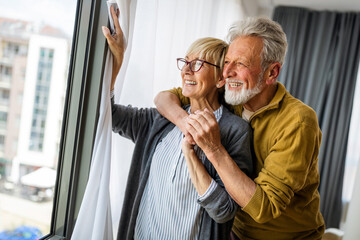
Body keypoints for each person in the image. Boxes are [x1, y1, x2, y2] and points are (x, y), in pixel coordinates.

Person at [155, 17, 325, 239]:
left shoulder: (298, 121)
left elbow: (263, 208)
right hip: (235, 233)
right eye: (227, 62)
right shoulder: (231, 96)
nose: (226, 74)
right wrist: (185, 123)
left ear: (272, 72)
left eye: (241, 64)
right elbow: (165, 98)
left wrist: (214, 150)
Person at [102, 6, 253, 240]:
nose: (186, 70)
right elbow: (107, 113)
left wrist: (192, 154)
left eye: (198, 63)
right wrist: (117, 62)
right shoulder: (161, 119)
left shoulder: (235, 131)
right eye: (185, 61)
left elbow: (224, 211)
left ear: (221, 79)